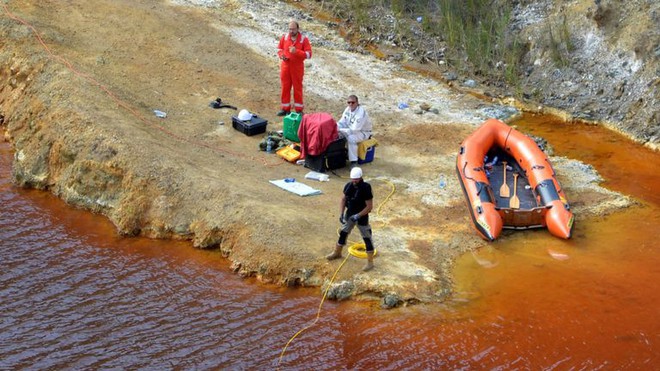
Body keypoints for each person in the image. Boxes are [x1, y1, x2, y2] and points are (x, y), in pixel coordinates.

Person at [326, 167, 376, 271]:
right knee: (343, 233)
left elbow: (369, 206)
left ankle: (370, 262)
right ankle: (337, 252)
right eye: (353, 179)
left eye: (356, 179)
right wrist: (341, 213)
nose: (354, 181)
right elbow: (343, 199)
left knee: (367, 237)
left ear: (361, 177)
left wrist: (358, 215)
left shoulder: (366, 188)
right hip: (350, 214)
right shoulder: (349, 186)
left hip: (362, 216)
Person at [277, 21, 312, 117]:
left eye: (293, 29)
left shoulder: (303, 40)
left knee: (297, 88)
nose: (291, 31)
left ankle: (299, 110)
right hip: (285, 67)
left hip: (297, 68)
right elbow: (279, 49)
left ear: (298, 29)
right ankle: (285, 109)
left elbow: (309, 54)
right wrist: (282, 56)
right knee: (285, 87)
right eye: (290, 29)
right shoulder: (285, 37)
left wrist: (296, 52)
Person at [337, 95, 372, 165]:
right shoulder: (347, 109)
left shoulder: (361, 113)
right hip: (350, 129)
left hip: (363, 132)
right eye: (349, 102)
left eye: (353, 102)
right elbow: (342, 122)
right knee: (337, 134)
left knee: (351, 138)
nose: (350, 104)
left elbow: (354, 130)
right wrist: (335, 127)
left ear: (357, 103)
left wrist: (340, 129)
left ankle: (354, 161)